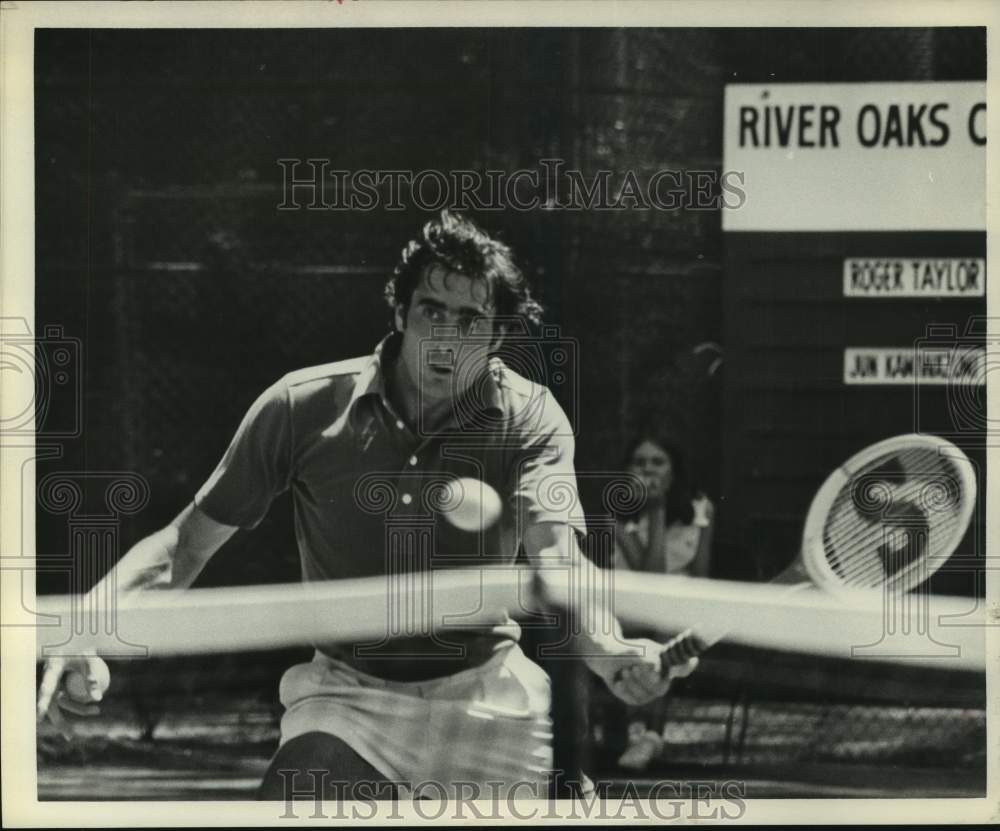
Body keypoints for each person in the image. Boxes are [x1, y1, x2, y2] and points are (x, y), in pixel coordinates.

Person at [36, 210, 697, 801]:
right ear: (401, 314)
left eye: (469, 320)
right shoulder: (300, 406)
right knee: (295, 800)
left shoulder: (531, 418)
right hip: (349, 696)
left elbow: (558, 557)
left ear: (497, 338)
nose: (445, 335)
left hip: (486, 693)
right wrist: (90, 625)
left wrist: (610, 648)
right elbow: (185, 543)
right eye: (431, 310)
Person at [610, 434, 715, 771]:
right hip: (628, 603)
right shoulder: (616, 516)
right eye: (639, 462)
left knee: (666, 627)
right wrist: (655, 509)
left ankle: (650, 737)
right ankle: (633, 733)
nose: (648, 469)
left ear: (673, 470)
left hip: (677, 608)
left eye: (657, 462)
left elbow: (700, 573)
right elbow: (649, 576)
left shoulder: (701, 508)